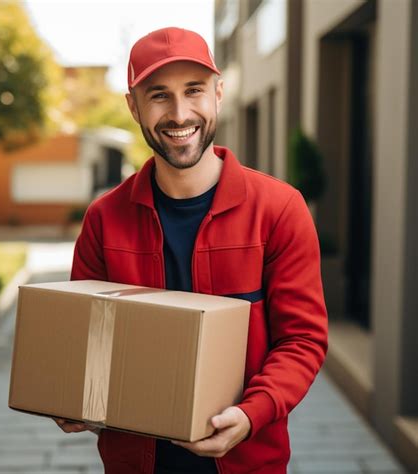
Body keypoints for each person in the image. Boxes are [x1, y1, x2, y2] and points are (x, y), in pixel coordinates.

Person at [54, 27, 328, 474]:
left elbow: (302, 340)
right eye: (158, 95)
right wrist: (72, 397)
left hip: (247, 461)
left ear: (218, 94)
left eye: (194, 91)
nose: (179, 114)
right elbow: (88, 343)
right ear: (133, 107)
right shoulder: (103, 220)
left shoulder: (278, 209)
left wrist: (250, 413)